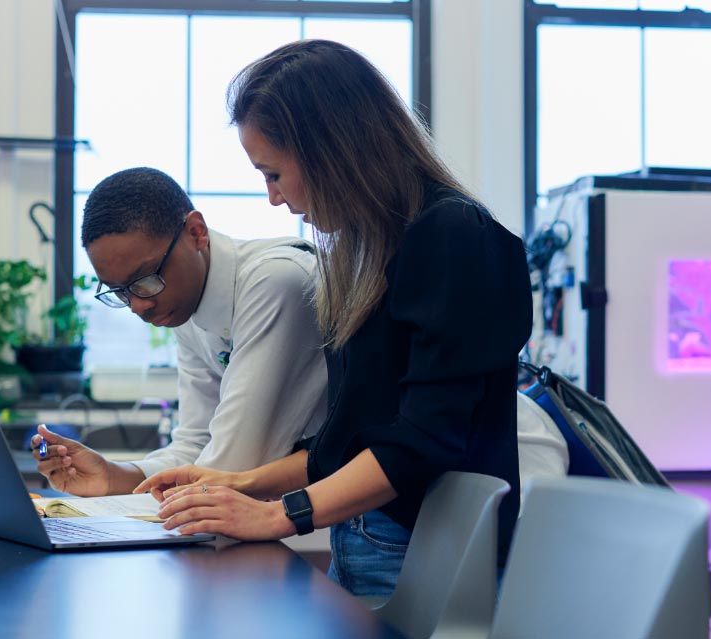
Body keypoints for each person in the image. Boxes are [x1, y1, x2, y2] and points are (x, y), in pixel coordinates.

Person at [135, 39, 533, 597]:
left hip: (422, 549)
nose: (273, 198)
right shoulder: (367, 251)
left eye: (274, 174)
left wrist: (279, 515)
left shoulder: (452, 237)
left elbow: (422, 444)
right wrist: (239, 483)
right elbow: (348, 442)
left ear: (330, 152)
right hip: (373, 538)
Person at [31, 166, 328, 497]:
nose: (138, 306)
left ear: (196, 232)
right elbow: (197, 442)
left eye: (144, 279)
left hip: (372, 521)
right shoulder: (183, 305)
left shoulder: (277, 281)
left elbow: (235, 466)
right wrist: (116, 477)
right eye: (119, 291)